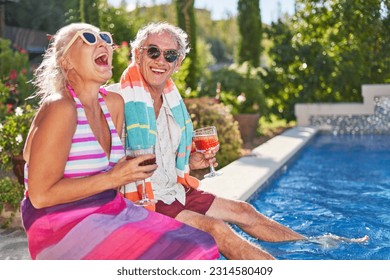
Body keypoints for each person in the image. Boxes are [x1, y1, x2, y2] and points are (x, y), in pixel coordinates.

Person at [20, 22, 219, 260]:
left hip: (108, 207)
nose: (103, 42)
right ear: (66, 61)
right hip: (62, 222)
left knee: (203, 242)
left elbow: (116, 170)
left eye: (105, 38)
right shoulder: (61, 108)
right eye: (89, 38)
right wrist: (113, 178)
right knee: (191, 252)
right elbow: (40, 196)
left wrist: (181, 163)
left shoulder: (112, 104)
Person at [118, 22, 306, 260]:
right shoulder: (120, 100)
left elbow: (167, 161)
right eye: (153, 51)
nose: (160, 60)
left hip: (175, 192)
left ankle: (314, 244)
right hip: (146, 201)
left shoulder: (172, 104)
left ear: (178, 63)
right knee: (216, 229)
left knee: (243, 209)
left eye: (170, 55)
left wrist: (190, 162)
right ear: (137, 54)